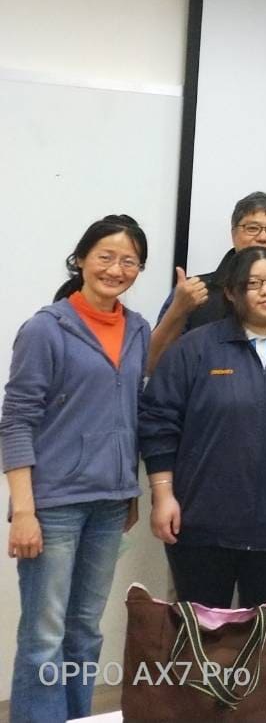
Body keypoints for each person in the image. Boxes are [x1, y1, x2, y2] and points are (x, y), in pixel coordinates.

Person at [140, 247, 266, 609]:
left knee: (265, 633)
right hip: (202, 523)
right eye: (253, 284)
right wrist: (163, 494)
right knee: (201, 631)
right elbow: (158, 422)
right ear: (232, 293)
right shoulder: (195, 348)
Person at [3, 216, 149, 721]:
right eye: (105, 256)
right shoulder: (46, 328)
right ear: (81, 259)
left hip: (110, 504)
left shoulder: (138, 328)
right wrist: (24, 511)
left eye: (128, 261)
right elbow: (16, 420)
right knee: (44, 636)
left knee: (85, 631)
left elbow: (129, 413)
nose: (116, 269)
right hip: (54, 506)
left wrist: (129, 488)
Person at [149, 191, 266, 371]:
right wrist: (178, 310)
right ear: (233, 233)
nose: (263, 237)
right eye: (252, 228)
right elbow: (152, 364)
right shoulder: (194, 291)